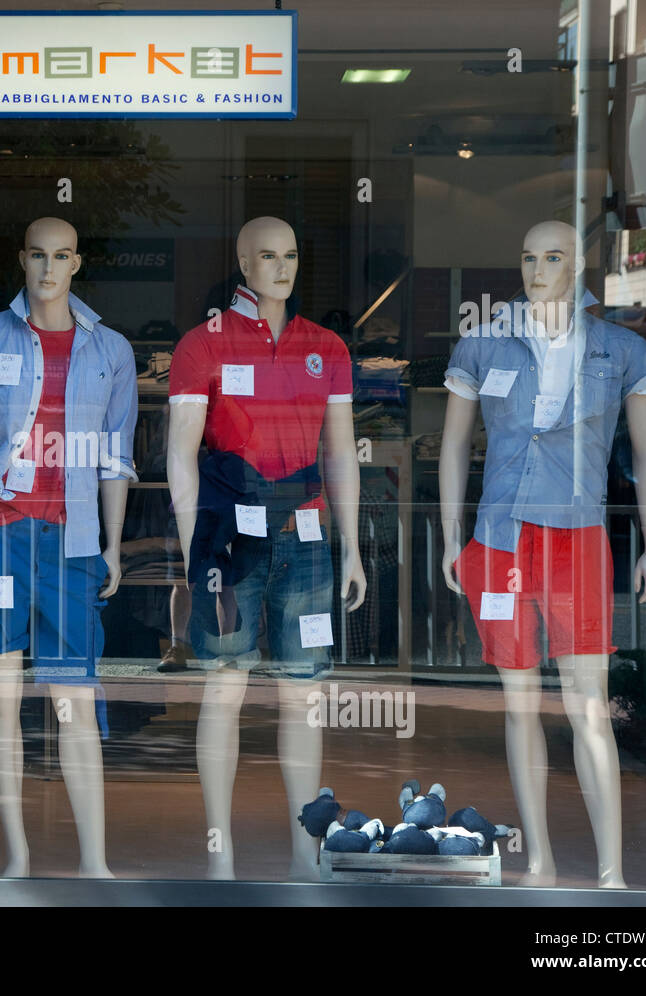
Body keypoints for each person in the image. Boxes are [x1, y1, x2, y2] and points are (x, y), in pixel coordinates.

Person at [438, 220, 646, 888]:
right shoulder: (483, 345)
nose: (538, 269)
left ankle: (611, 870)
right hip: (502, 536)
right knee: (519, 702)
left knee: (589, 705)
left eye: (554, 257)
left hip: (578, 538)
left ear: (580, 265)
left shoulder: (621, 349)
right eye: (530, 257)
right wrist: (453, 536)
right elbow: (454, 445)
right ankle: (537, 860)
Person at [0, 217, 137, 877]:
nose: (49, 268)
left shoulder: (111, 351)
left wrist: (114, 545)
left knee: (75, 698)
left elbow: (115, 458)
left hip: (73, 539)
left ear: (78, 262)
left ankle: (94, 862)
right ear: (23, 259)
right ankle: (17, 855)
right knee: (4, 697)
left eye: (62, 256)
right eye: (38, 255)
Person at [167, 216, 367, 880]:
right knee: (224, 690)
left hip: (305, 537)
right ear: (243, 263)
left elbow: (340, 452)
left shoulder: (326, 347)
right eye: (267, 257)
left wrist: (354, 548)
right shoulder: (204, 345)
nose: (281, 268)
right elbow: (181, 452)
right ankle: (218, 853)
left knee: (304, 695)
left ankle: (305, 854)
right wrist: (191, 545)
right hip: (229, 540)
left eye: (291, 255)